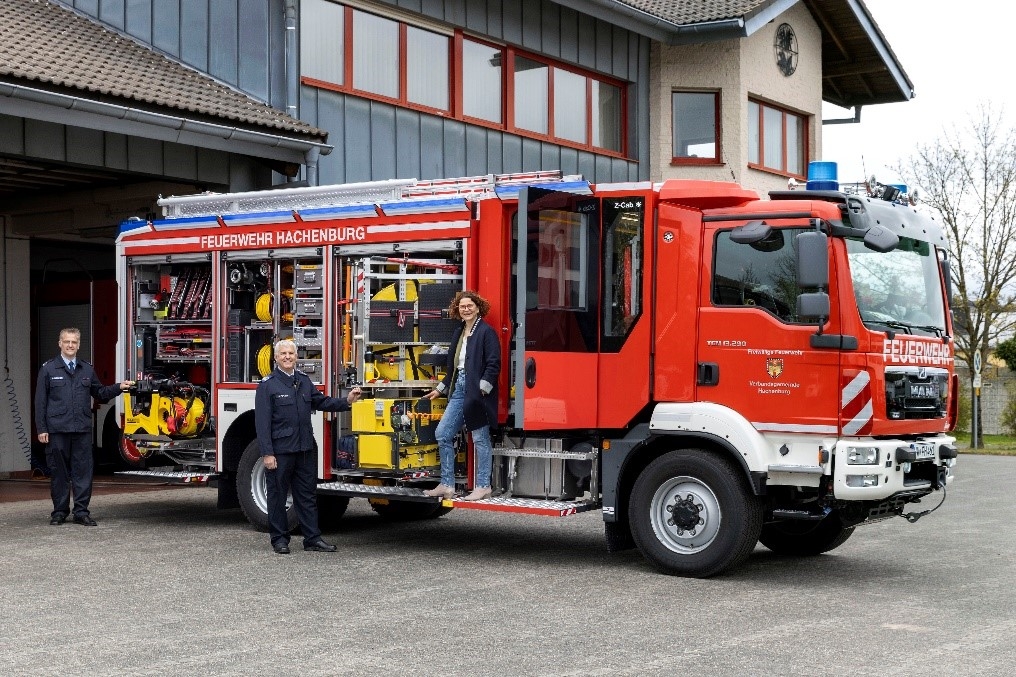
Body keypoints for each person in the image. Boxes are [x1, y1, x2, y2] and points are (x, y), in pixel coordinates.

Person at [255, 339, 362, 555]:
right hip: (281, 451)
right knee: (277, 497)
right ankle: (280, 540)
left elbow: (321, 402)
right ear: (276, 358)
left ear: (296, 357)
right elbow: (262, 423)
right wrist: (267, 453)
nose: (287, 357)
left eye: (291, 353)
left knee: (307, 496)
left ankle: (312, 538)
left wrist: (347, 401)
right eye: (283, 353)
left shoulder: (303, 381)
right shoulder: (268, 385)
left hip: (304, 450)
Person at [34, 328, 132, 526]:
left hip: (81, 430)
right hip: (57, 430)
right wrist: (41, 428)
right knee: (59, 473)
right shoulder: (48, 369)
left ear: (79, 345)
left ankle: (81, 512)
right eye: (67, 341)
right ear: (59, 343)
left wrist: (119, 387)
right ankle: (59, 512)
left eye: (74, 342)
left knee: (83, 472)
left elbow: (100, 393)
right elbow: (40, 402)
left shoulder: (86, 369)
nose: (70, 345)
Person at [423, 290, 501, 501]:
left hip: (477, 391)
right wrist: (440, 389)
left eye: (470, 306)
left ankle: (483, 485)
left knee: (480, 439)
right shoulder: (459, 332)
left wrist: (482, 390)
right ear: (457, 309)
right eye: (462, 306)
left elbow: (493, 364)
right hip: (459, 388)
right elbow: (453, 368)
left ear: (478, 307)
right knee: (443, 434)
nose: (466, 309)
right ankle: (447, 485)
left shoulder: (486, 332)